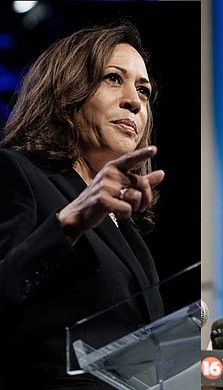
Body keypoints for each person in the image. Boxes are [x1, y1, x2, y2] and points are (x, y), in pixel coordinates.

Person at [0, 21, 166, 388]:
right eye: (112, 78)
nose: (134, 101)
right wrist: (71, 221)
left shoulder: (127, 230)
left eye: (144, 89)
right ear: (66, 92)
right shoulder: (16, 173)